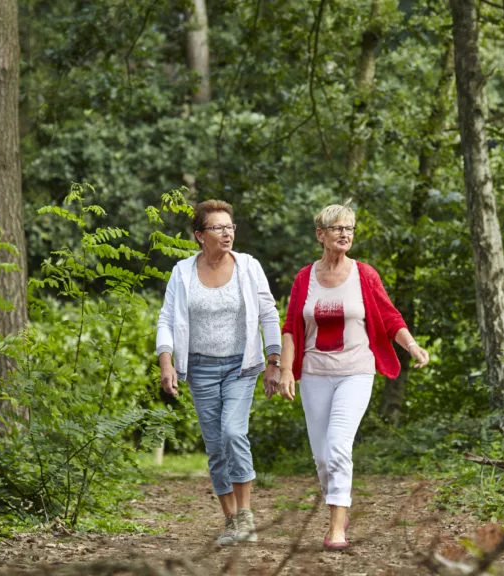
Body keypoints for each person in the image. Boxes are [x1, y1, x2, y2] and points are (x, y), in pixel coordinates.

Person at [278, 202, 430, 551]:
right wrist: (287, 369)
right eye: (337, 228)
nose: (345, 234)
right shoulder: (305, 277)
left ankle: (335, 529)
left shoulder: (365, 275)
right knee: (320, 456)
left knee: (337, 446)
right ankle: (339, 507)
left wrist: (412, 346)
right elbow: (290, 327)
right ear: (321, 235)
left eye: (349, 228)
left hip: (355, 372)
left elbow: (390, 318)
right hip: (315, 373)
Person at [156, 199, 281, 546]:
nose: (227, 234)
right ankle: (230, 522)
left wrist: (274, 361)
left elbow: (269, 314)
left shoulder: (248, 267)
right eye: (218, 228)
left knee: (232, 433)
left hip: (241, 366)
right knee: (214, 446)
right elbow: (166, 319)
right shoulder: (182, 272)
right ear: (200, 235)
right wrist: (167, 362)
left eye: (230, 227)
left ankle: (246, 516)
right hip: (199, 367)